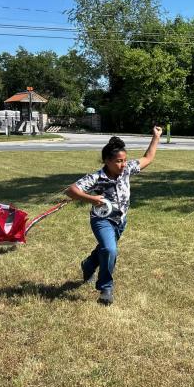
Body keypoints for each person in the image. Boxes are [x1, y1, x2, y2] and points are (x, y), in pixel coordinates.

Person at [66, 127, 162, 305]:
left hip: (121, 221)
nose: (123, 164)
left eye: (125, 160)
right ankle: (106, 288)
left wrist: (156, 137)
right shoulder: (96, 178)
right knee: (110, 249)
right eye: (119, 161)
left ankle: (88, 265)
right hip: (102, 220)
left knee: (105, 249)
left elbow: (148, 158)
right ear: (107, 161)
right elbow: (71, 191)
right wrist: (91, 198)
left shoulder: (126, 171)